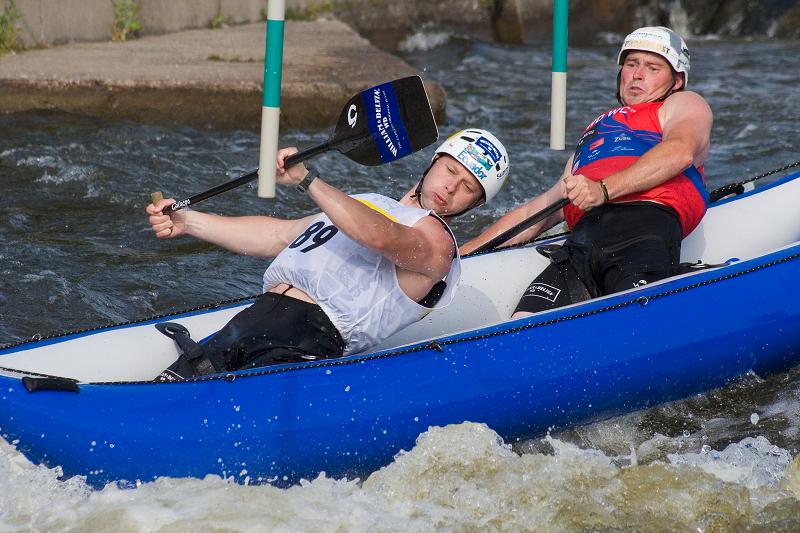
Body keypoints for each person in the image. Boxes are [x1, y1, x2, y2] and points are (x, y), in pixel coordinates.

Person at [147, 128, 510, 380]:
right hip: (252, 320)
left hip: (306, 341)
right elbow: (278, 236)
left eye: (467, 188)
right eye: (450, 170)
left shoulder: (438, 243)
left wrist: (309, 180)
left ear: (475, 205)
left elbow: (381, 238)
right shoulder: (366, 203)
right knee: (164, 393)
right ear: (434, 162)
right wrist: (191, 222)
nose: (450, 187)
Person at [461, 26, 712, 317]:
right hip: (580, 244)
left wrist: (603, 189)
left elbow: (681, 150)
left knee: (633, 320)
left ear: (677, 80)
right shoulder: (595, 131)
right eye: (631, 64)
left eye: (652, 67)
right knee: (522, 324)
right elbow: (543, 209)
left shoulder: (682, 103)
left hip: (643, 231)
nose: (637, 74)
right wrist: (464, 256)